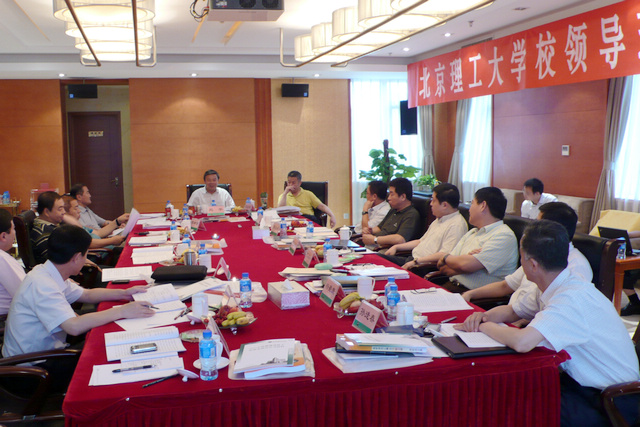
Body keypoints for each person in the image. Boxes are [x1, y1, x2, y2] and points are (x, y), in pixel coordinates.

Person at [457, 220, 640, 426]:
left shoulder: (571, 297)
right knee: (508, 392)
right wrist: (484, 317)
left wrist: (484, 327)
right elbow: (513, 311)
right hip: (580, 386)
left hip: (610, 401)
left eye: (521, 257)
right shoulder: (553, 284)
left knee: (513, 407)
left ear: (532, 264)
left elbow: (522, 342)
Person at [3, 224, 155, 358]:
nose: (85, 259)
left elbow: (86, 294)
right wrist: (122, 311)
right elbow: (73, 327)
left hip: (48, 348)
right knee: (106, 349)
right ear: (76, 257)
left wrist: (125, 293)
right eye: (86, 254)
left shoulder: (49, 271)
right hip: (33, 364)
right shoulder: (42, 284)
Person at [462, 202, 592, 315]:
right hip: (512, 315)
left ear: (551, 229)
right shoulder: (539, 252)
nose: (532, 227)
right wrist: (471, 294)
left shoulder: (577, 266)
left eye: (537, 223)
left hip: (533, 326)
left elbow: (561, 312)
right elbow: (506, 286)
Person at [433, 187, 518, 292]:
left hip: (474, 296)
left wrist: (445, 257)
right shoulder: (472, 232)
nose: (469, 209)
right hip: (451, 286)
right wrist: (465, 262)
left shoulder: (504, 236)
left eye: (472, 203)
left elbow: (465, 265)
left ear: (483, 206)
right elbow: (444, 267)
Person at [382, 183, 467, 274]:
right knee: (378, 258)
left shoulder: (456, 225)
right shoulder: (439, 219)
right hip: (413, 260)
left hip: (423, 267)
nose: (431, 204)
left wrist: (416, 262)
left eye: (433, 201)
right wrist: (396, 247)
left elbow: (444, 255)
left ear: (444, 205)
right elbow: (420, 241)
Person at [361, 177, 421, 248]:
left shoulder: (411, 214)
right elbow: (379, 228)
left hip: (385, 249)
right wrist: (370, 231)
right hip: (374, 245)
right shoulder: (393, 210)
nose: (388, 198)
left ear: (403, 197)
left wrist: (375, 239)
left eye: (392, 194)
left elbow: (400, 239)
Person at [0, 210, 25, 316]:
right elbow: (26, 295)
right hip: (5, 319)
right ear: (3, 236)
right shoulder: (2, 259)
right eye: (13, 229)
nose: (15, 233)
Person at [31, 191, 66, 265]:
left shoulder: (53, 226)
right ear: (46, 212)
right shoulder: (44, 233)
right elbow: (57, 262)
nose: (64, 212)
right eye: (60, 209)